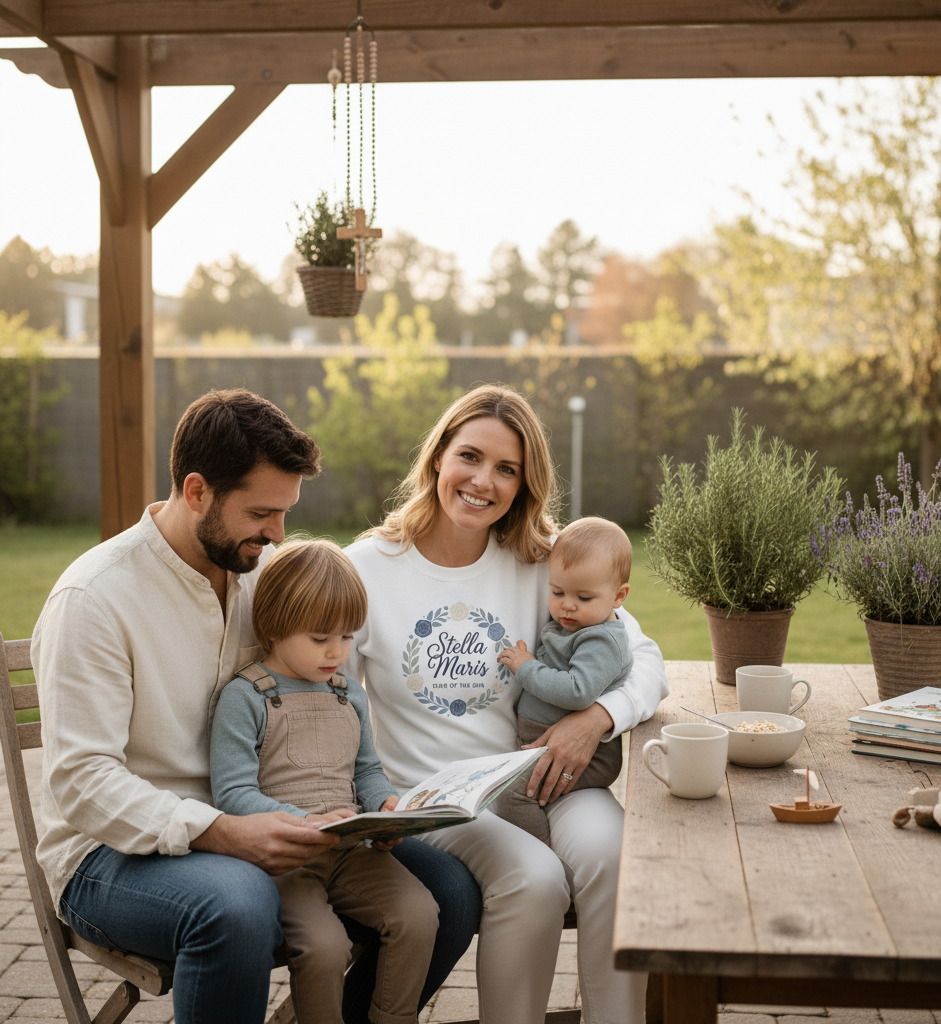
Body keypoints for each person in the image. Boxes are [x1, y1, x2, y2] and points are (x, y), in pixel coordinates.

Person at [31, 388, 479, 1024]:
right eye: (263, 513)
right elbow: (82, 783)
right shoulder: (95, 599)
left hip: (269, 825)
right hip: (113, 855)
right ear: (196, 491)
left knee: (451, 888)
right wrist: (222, 831)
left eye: (286, 514)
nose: (277, 534)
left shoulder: (266, 579)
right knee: (236, 903)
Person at [343, 384, 669, 1024]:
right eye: (469, 456)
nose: (482, 481)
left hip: (546, 780)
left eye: (506, 469)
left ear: (524, 484)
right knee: (536, 878)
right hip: (430, 796)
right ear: (437, 458)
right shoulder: (367, 570)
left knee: (612, 855)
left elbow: (649, 662)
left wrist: (595, 718)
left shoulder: (544, 565)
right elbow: (330, 699)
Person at [211, 538, 440, 1024]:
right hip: (284, 863)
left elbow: (366, 771)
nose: (337, 652)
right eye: (320, 639)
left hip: (351, 854)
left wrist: (388, 807)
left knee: (419, 914)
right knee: (324, 948)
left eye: (348, 637)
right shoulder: (246, 697)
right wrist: (308, 822)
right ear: (274, 626)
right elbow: (232, 794)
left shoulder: (347, 694)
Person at [492, 516, 633, 845]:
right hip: (543, 745)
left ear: (619, 596)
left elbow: (577, 692)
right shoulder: (574, 624)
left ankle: (542, 853)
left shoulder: (601, 640)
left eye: (584, 598)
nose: (567, 605)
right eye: (557, 592)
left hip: (588, 756)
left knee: (511, 794)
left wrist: (526, 667)